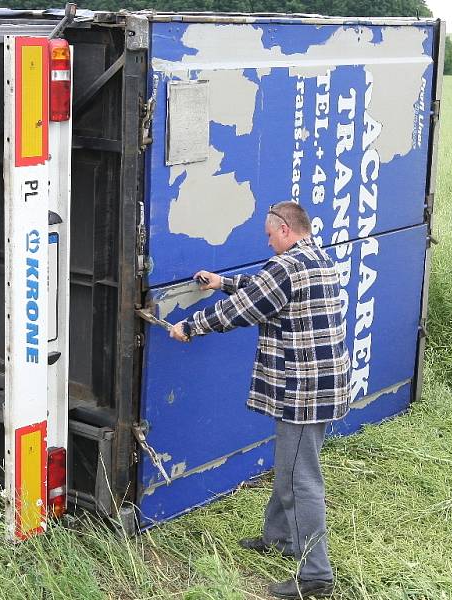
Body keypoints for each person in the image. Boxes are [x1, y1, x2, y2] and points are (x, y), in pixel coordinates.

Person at [169, 201, 350, 600]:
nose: (269, 244)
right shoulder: (314, 256)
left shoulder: (285, 266)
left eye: (270, 236)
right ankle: (279, 538)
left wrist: (191, 326)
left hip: (305, 390)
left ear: (284, 228)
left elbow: (244, 310)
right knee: (289, 466)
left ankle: (316, 575)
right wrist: (223, 282)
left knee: (299, 478)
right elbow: (266, 291)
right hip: (322, 384)